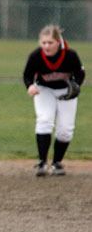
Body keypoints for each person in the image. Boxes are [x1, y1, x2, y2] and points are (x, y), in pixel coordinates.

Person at [23, 24, 85, 177]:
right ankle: (42, 163)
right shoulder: (36, 56)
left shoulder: (70, 55)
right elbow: (27, 74)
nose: (46, 46)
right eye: (43, 42)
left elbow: (80, 73)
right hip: (44, 90)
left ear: (58, 42)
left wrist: (76, 85)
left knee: (65, 130)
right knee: (44, 120)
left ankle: (57, 163)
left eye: (50, 42)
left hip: (66, 90)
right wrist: (30, 86)